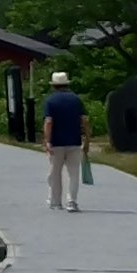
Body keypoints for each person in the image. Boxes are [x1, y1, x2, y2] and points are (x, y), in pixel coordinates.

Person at [42, 67, 87, 209]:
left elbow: (49, 122)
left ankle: (55, 201)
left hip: (56, 142)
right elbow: (84, 121)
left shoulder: (51, 101)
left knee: (55, 173)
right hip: (74, 141)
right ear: (67, 84)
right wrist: (87, 140)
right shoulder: (76, 100)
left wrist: (47, 140)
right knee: (73, 173)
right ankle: (71, 201)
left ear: (53, 86)